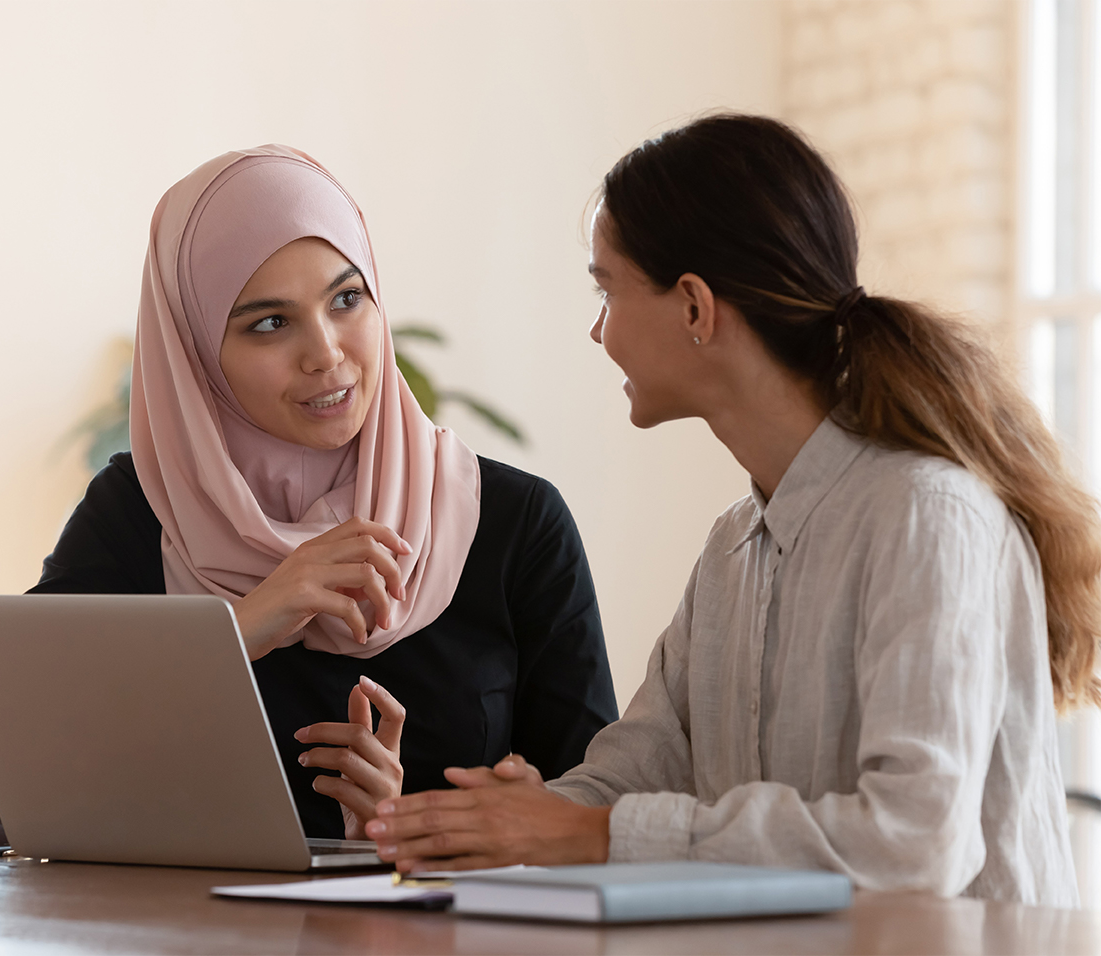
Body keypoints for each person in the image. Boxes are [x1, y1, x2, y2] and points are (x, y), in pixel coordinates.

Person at [364, 114, 1095, 907]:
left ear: (694, 309)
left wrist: (590, 835)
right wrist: (509, 818)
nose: (597, 328)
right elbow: (632, 772)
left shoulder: (928, 517)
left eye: (607, 289)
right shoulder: (732, 547)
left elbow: (914, 843)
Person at [0, 145, 618, 840]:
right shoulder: (146, 512)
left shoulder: (512, 523)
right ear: (196, 354)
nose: (325, 353)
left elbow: (589, 812)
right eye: (269, 323)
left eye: (347, 299)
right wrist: (238, 630)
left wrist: (406, 830)